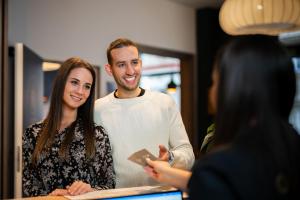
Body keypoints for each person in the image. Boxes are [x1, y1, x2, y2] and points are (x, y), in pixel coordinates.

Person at [145, 35, 300, 199]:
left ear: (231, 90)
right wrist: (169, 174)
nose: (211, 91)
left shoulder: (218, 168)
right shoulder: (292, 144)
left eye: (214, 82)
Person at [94, 38, 195, 188]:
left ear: (140, 63)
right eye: (121, 65)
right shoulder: (98, 109)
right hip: (117, 197)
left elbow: (188, 154)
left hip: (163, 195)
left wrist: (170, 157)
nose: (130, 71)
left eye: (134, 62)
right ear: (110, 69)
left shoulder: (164, 103)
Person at [22, 57, 115, 197]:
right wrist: (55, 197)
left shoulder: (97, 134)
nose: (80, 91)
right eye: (74, 82)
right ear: (61, 83)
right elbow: (28, 185)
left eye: (87, 86)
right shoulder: (32, 133)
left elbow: (109, 186)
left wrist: (89, 190)